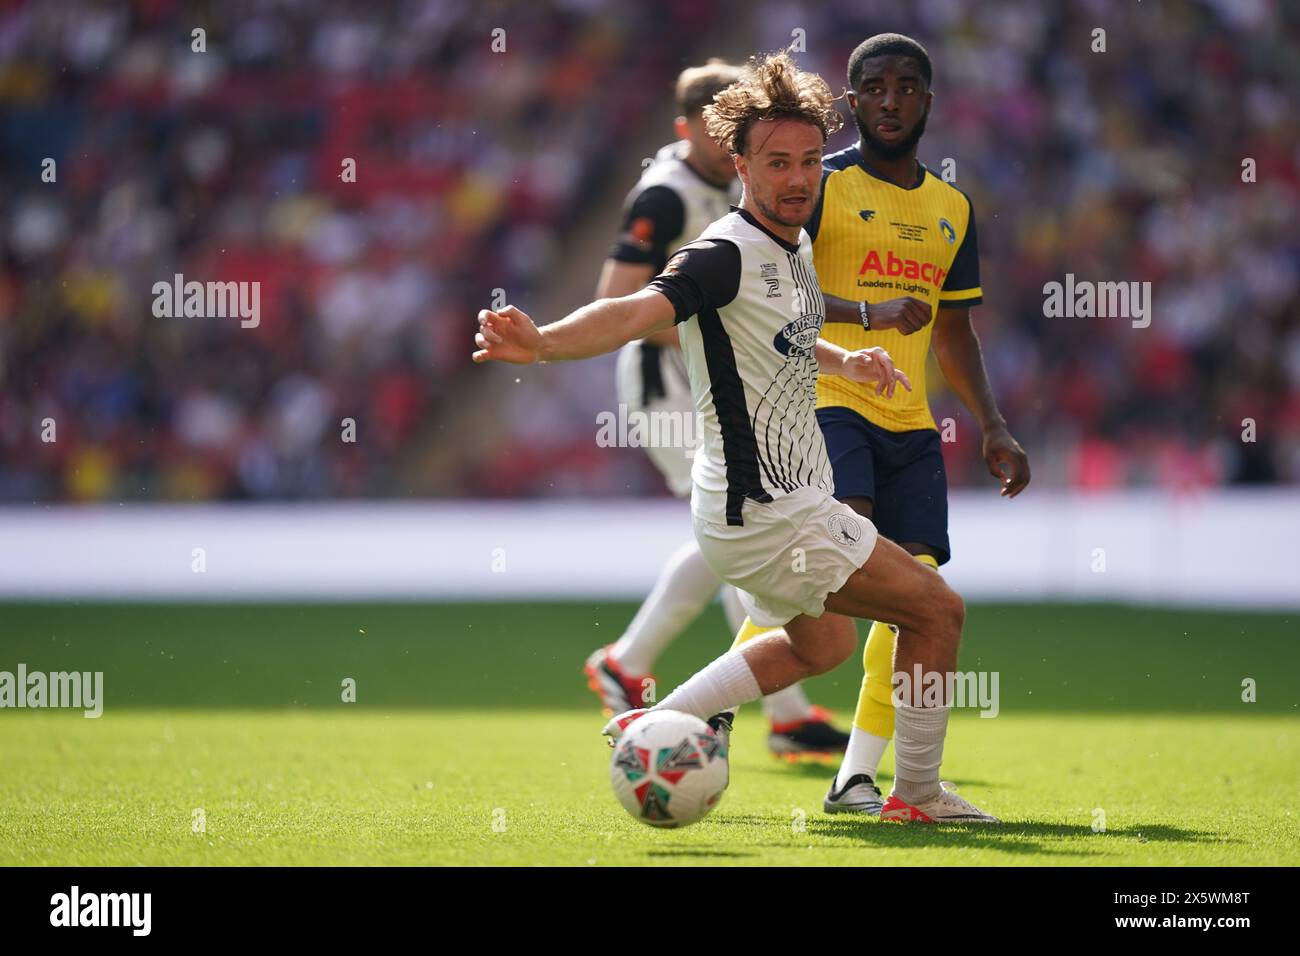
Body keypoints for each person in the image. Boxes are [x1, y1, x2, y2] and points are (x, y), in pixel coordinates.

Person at [475, 51, 998, 823]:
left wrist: (845, 356)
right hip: (771, 510)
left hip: (743, 510)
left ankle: (655, 723)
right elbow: (633, 310)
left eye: (811, 161)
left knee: (822, 645)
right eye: (777, 162)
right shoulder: (723, 252)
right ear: (740, 165)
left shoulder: (790, 243)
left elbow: (786, 330)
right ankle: (915, 795)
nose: (798, 177)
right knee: (935, 611)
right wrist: (545, 342)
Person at [584, 59, 853, 758]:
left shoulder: (759, 195)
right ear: (692, 131)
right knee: (737, 516)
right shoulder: (665, 198)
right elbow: (615, 298)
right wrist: (717, 328)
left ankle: (767, 707)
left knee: (740, 524)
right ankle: (645, 670)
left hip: (726, 377)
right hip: (667, 377)